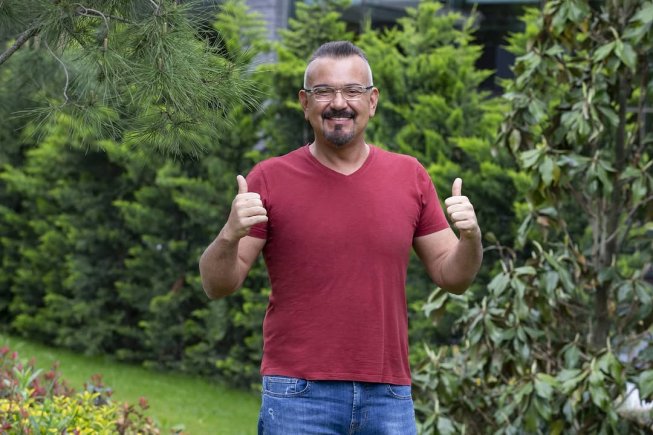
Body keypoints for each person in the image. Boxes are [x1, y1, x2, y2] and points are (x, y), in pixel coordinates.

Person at [199, 40, 482, 434]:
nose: (338, 103)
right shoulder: (269, 178)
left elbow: (453, 276)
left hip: (388, 395)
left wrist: (470, 239)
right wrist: (230, 234)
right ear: (304, 102)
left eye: (352, 90)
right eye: (323, 91)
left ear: (372, 100)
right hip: (297, 394)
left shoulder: (410, 176)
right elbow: (217, 285)